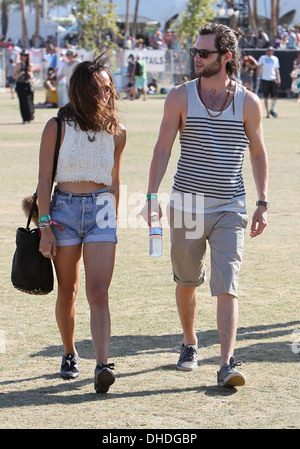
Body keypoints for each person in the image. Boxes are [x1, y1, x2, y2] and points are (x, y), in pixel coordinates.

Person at [142, 23, 269, 388]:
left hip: (231, 205)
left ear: (226, 58)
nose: (196, 58)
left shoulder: (248, 102)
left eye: (204, 53)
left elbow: (259, 153)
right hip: (188, 205)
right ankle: (189, 342)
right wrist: (151, 197)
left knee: (227, 283)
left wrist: (262, 201)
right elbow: (163, 148)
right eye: (195, 52)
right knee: (187, 280)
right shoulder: (180, 96)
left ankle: (227, 362)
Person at [37, 53, 126, 394]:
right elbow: (45, 179)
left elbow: (115, 180)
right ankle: (69, 352)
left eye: (108, 88)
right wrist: (45, 226)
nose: (106, 94)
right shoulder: (56, 126)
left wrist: (117, 215)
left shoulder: (117, 132)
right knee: (69, 290)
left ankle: (103, 365)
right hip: (63, 212)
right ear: (81, 91)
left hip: (102, 210)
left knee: (99, 291)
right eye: (98, 88)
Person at [256, 46, 281, 118]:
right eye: (268, 50)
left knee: (274, 95)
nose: (269, 51)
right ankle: (267, 112)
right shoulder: (262, 58)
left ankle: (272, 109)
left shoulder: (275, 59)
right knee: (266, 96)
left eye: (270, 50)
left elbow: (277, 69)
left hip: (273, 79)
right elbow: (259, 68)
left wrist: (278, 78)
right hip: (265, 79)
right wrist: (258, 79)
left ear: (273, 51)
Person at [13, 50, 34, 123]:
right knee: (22, 102)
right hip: (20, 84)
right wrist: (19, 75)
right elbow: (14, 76)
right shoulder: (18, 65)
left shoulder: (29, 65)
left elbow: (32, 75)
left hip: (27, 84)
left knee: (29, 101)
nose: (24, 57)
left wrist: (30, 74)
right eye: (23, 55)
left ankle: (29, 118)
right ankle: (24, 119)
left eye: (25, 55)